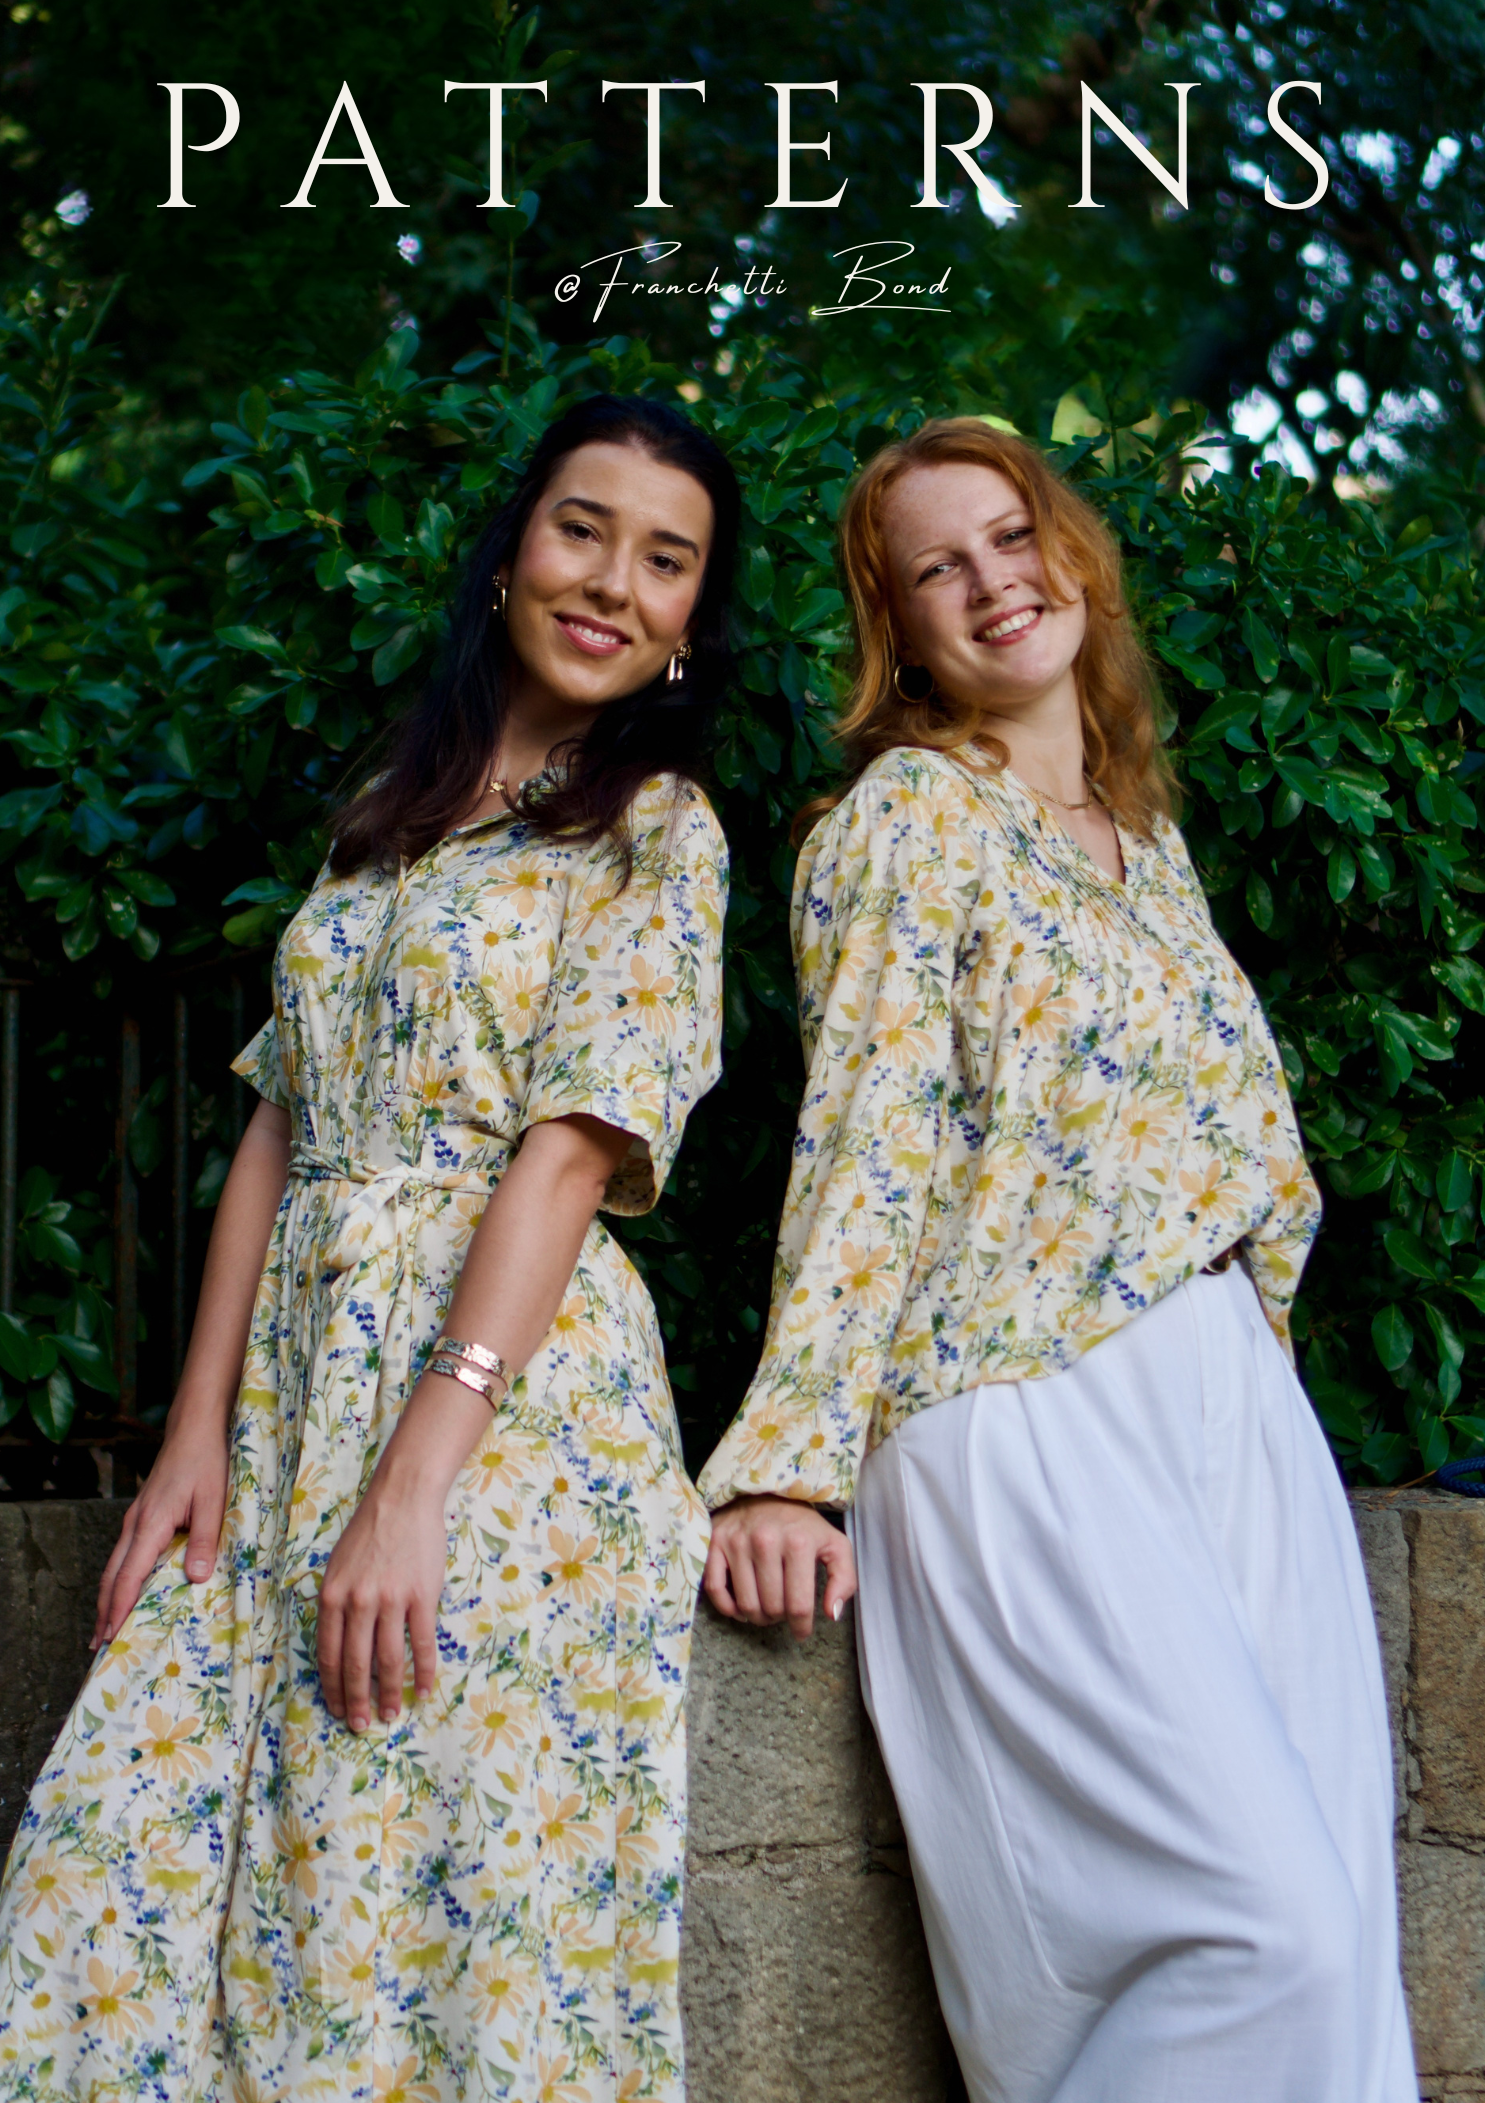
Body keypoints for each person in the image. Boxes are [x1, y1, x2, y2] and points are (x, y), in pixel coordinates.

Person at [0, 395, 738, 2103]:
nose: (611, 580)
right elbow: (281, 1121)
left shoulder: (656, 830)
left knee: (415, 1949)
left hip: (506, 1438)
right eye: (582, 528)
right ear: (509, 551)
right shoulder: (388, 809)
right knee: (97, 1894)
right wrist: (192, 1432)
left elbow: (571, 1152)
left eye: (665, 559)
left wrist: (415, 1482)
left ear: (692, 622)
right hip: (283, 1409)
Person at [698, 419, 1416, 2102]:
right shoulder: (901, 823)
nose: (992, 583)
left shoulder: (1144, 843)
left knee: (1347, 1951)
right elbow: (867, 1143)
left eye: (1012, 536)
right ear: (898, 630)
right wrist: (789, 1461)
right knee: (1272, 1935)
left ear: (1072, 552)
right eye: (936, 568)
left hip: (1232, 1407)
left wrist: (1254, 1350)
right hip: (1024, 1406)